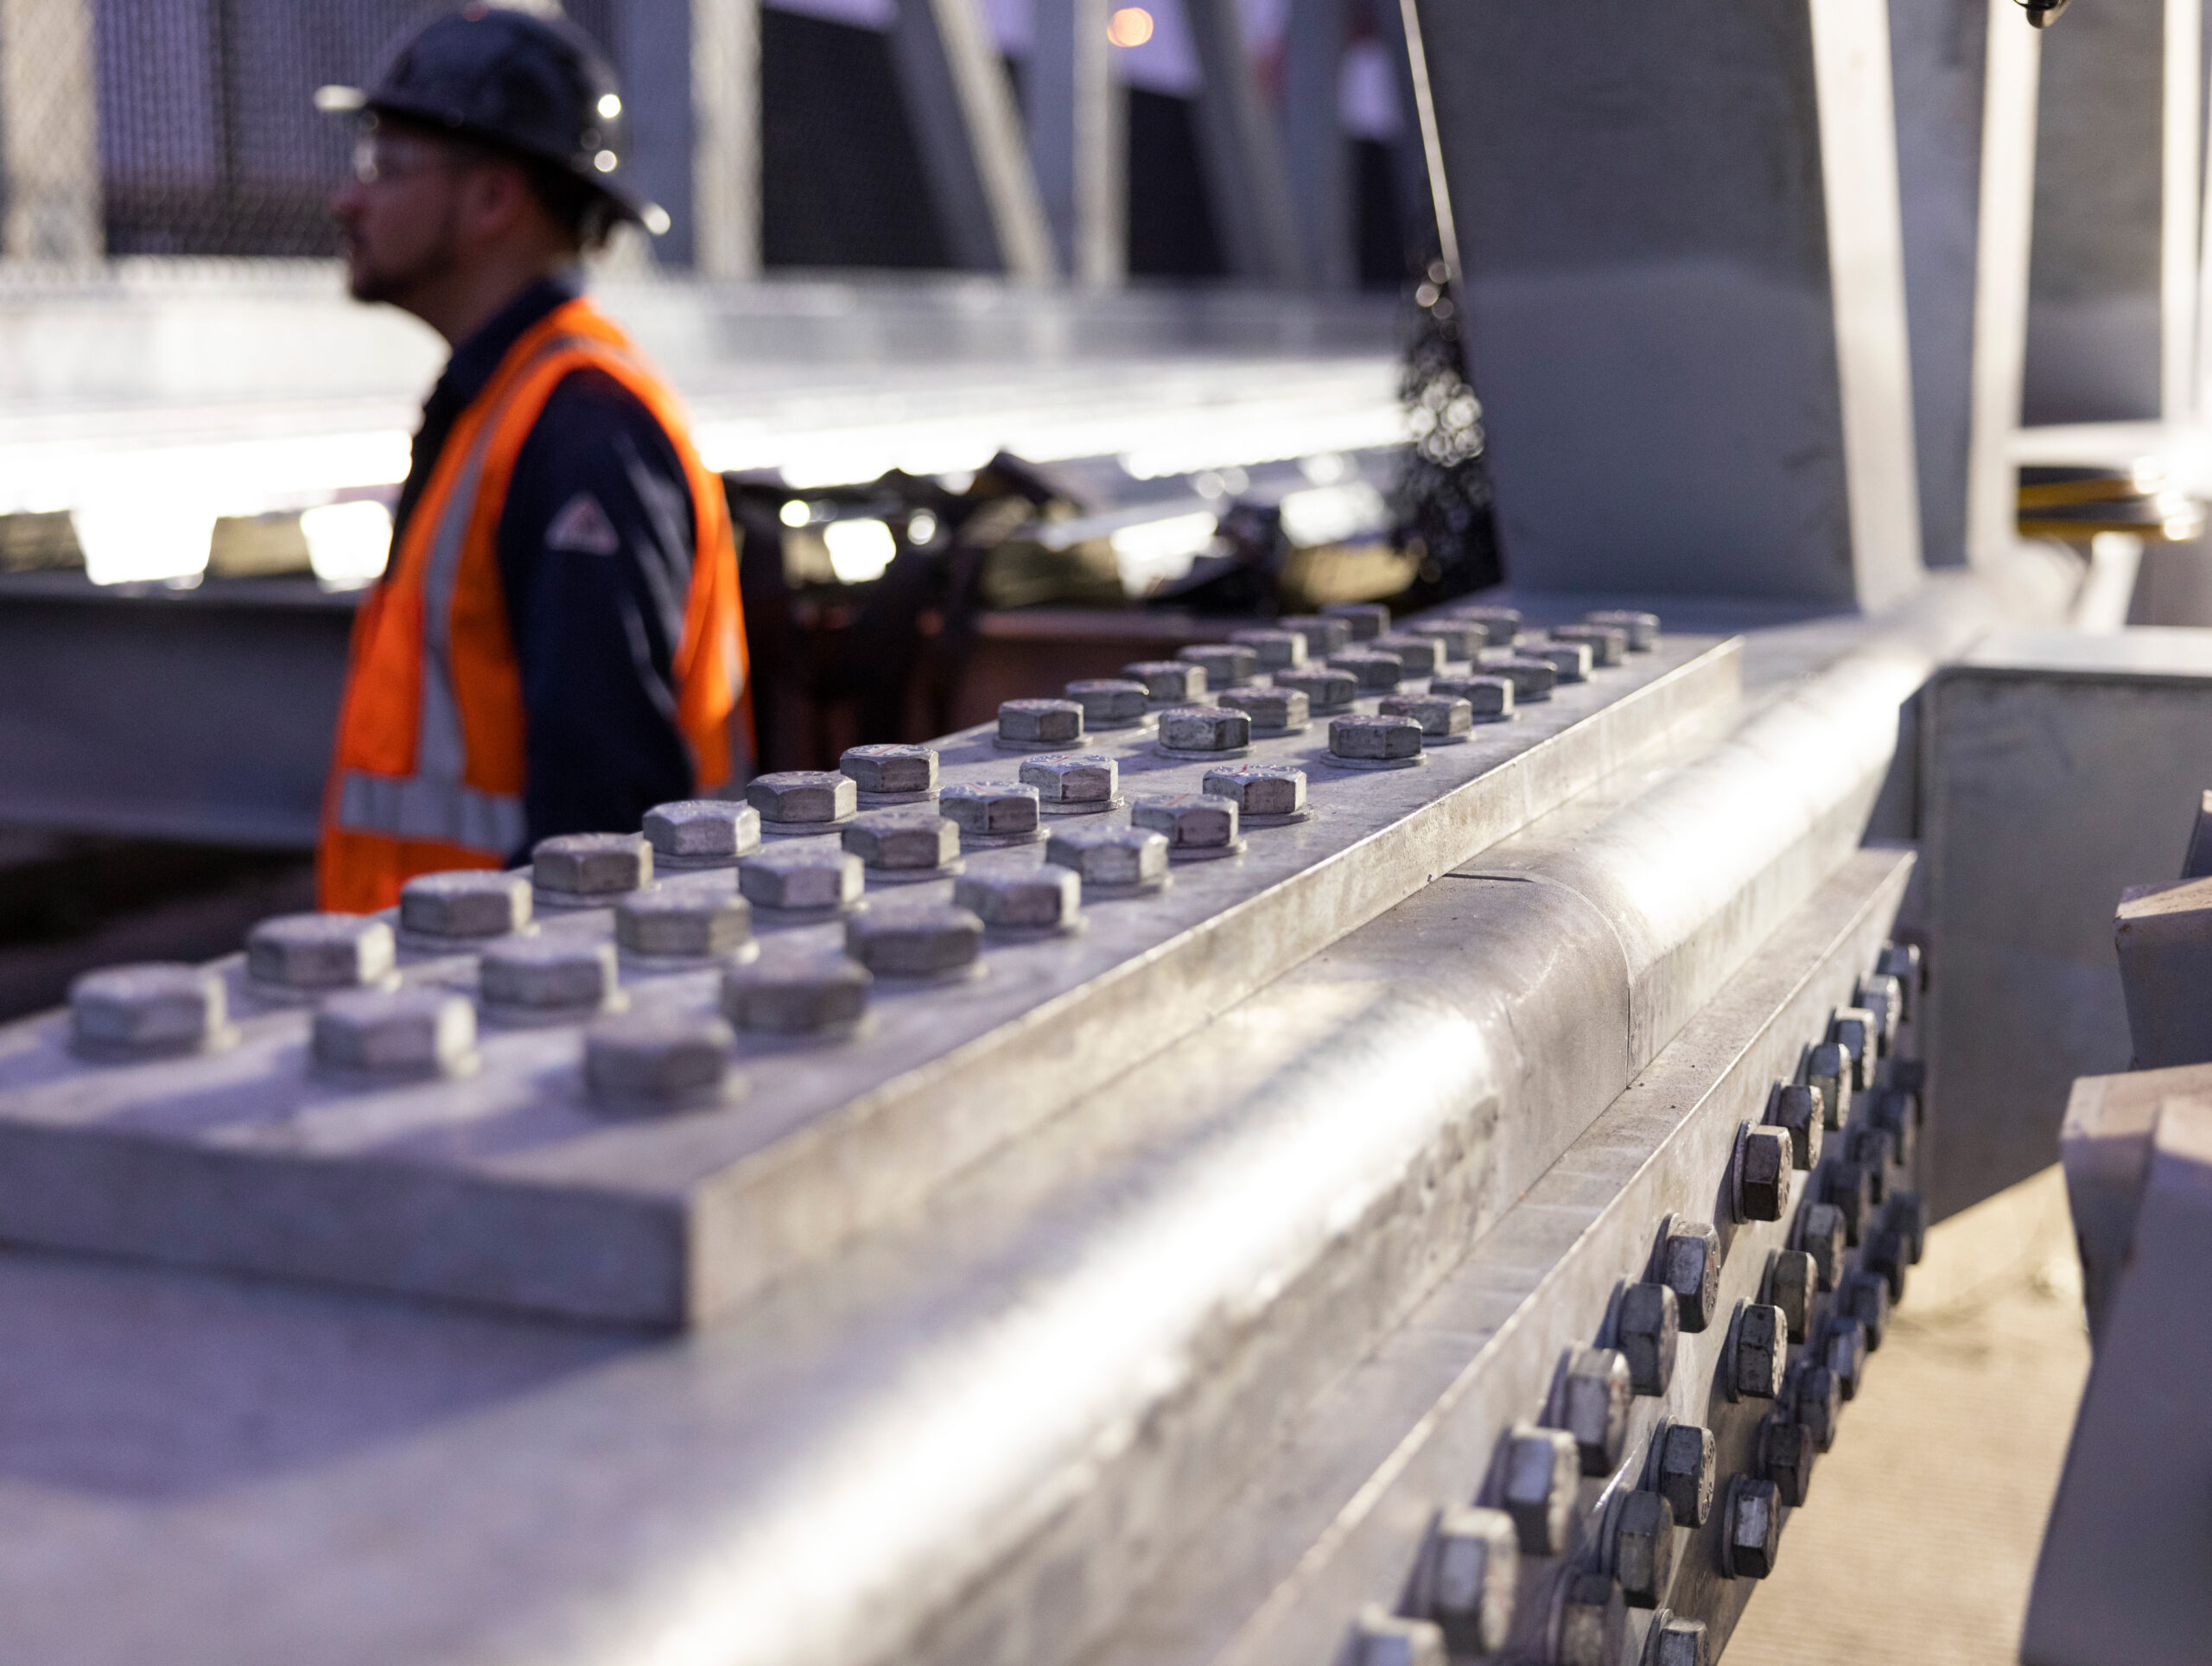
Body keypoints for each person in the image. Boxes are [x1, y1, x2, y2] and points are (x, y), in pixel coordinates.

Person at [315, 3, 745, 914]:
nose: (347, 200)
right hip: (441, 993)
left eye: (383, 168)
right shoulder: (508, 403)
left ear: (492, 200)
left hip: (502, 1009)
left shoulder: (579, 428)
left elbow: (601, 821)